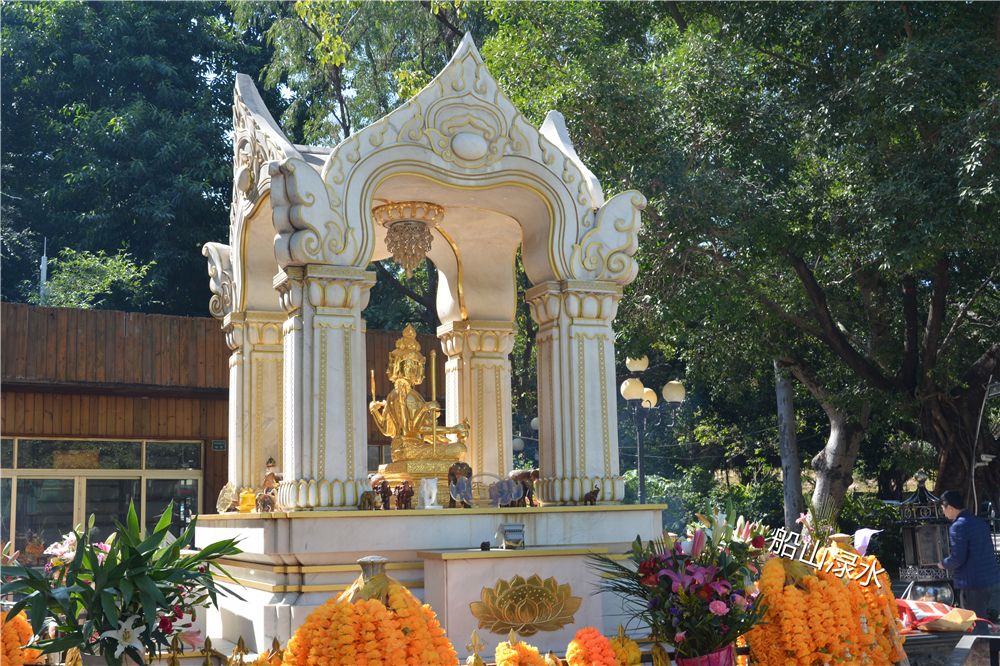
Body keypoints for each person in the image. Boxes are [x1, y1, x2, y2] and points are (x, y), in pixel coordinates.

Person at [938, 489, 1000, 634]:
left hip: (972, 582)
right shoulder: (979, 521)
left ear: (950, 508)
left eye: (943, 509)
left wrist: (943, 564)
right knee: (979, 622)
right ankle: (984, 653)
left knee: (976, 625)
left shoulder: (958, 526)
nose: (944, 513)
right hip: (988, 579)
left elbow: (958, 558)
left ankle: (984, 655)